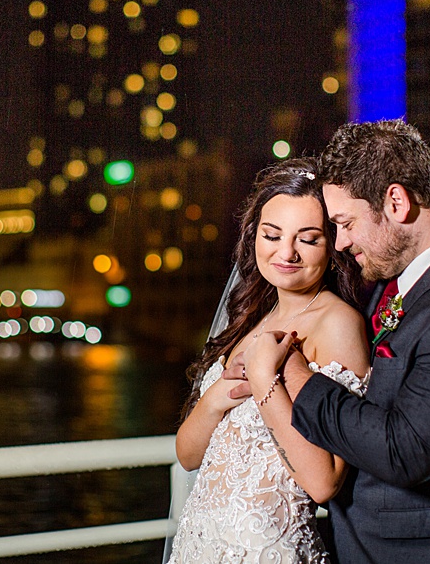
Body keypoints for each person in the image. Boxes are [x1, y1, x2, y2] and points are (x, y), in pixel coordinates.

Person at [226, 120, 430, 563]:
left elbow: (404, 451)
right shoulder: (400, 277)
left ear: (396, 202)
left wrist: (292, 370)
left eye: (345, 223)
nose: (339, 242)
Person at [167, 157, 371, 563]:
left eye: (308, 239)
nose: (286, 253)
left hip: (267, 550)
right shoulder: (251, 319)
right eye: (272, 235)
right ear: (253, 237)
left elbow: (323, 482)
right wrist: (215, 399)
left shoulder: (337, 324)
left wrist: (265, 379)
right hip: (201, 544)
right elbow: (188, 456)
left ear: (332, 246)